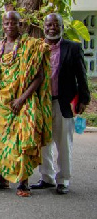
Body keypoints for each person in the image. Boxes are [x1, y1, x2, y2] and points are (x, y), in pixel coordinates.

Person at [0, 11, 52, 197]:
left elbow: (39, 77)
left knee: (22, 139)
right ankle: (4, 179)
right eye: (6, 22)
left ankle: (23, 182)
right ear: (2, 25)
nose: (10, 25)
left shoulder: (30, 46)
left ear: (20, 25)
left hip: (22, 100)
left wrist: (22, 99)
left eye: (13, 22)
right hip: (2, 101)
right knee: (2, 141)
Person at [30, 13, 90, 195]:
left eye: (56, 24)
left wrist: (83, 100)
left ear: (62, 26)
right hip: (42, 103)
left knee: (63, 142)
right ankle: (47, 177)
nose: (52, 28)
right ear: (44, 27)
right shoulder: (37, 48)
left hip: (62, 102)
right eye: (49, 25)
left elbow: (81, 76)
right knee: (44, 142)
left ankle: (63, 179)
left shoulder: (72, 48)